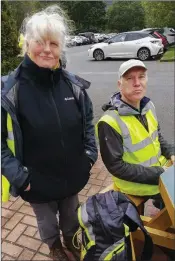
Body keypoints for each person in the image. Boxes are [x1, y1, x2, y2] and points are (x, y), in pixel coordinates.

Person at [1, 5, 97, 261]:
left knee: (71, 215)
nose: (46, 49)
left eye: (53, 43)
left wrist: (88, 156)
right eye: (40, 42)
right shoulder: (10, 92)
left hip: (71, 173)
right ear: (27, 44)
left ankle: (72, 240)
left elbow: (88, 123)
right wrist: (20, 178)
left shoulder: (72, 86)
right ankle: (55, 247)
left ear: (60, 48)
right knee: (46, 221)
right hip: (36, 180)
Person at [96, 59, 174, 207]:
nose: (137, 83)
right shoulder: (109, 122)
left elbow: (157, 137)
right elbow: (116, 167)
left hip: (158, 173)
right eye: (130, 78)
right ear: (120, 85)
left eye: (141, 76)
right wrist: (159, 173)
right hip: (135, 184)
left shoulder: (148, 106)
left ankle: (163, 208)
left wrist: (171, 152)